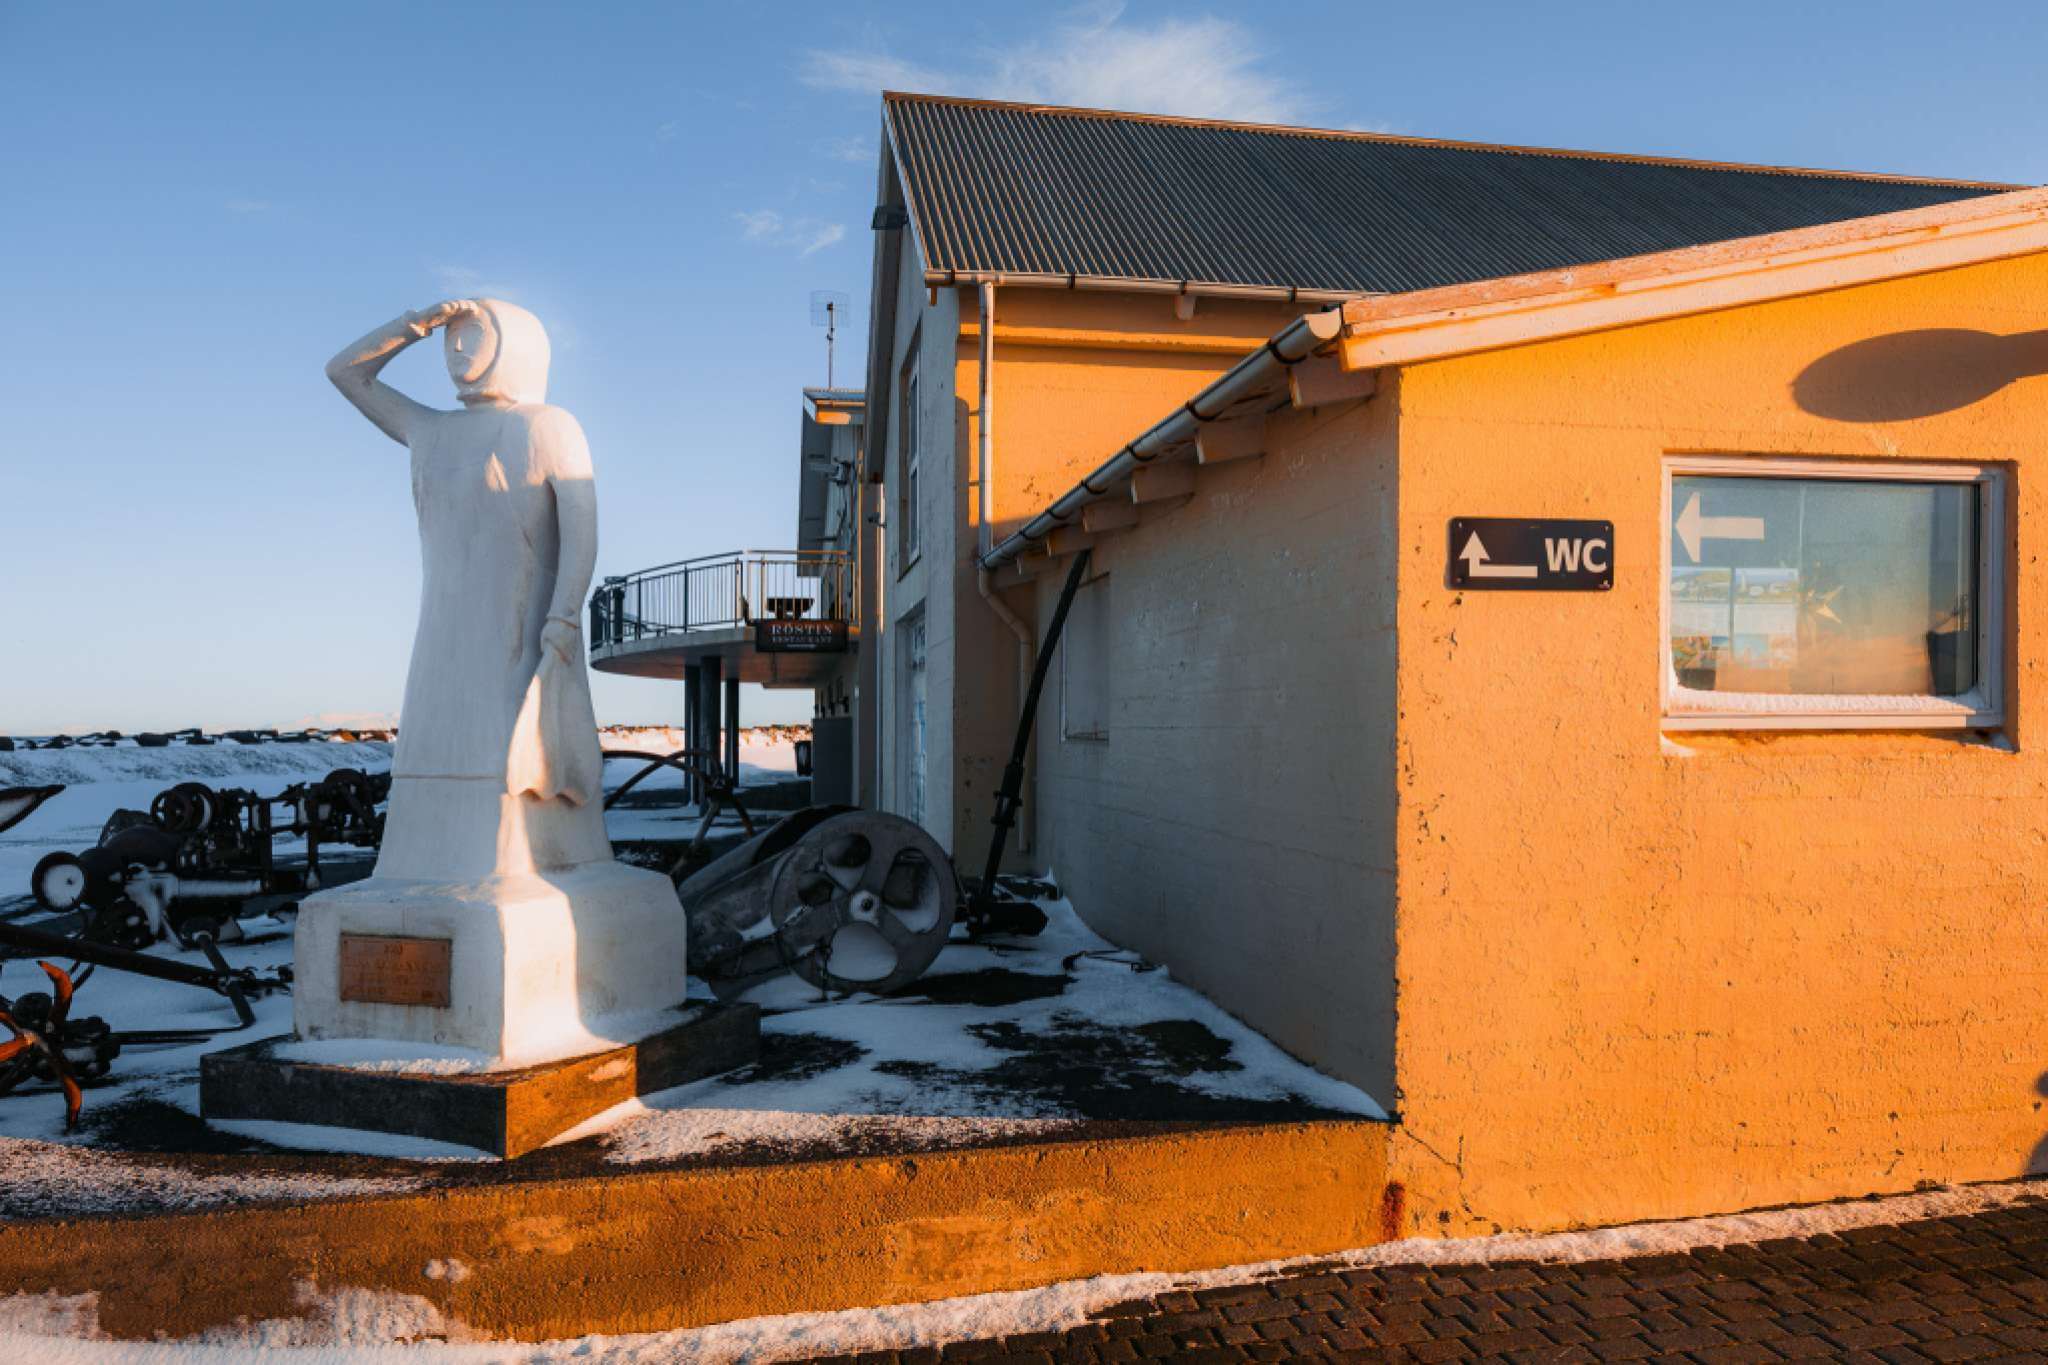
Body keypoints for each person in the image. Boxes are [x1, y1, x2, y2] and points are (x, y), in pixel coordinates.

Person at [324, 298, 609, 881]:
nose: (455, 350)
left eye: (472, 335)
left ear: (515, 346)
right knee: (438, 743)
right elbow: (346, 372)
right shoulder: (430, 431)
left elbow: (583, 529)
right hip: (443, 634)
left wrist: (564, 616)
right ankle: (420, 866)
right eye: (448, 339)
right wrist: (413, 324)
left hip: (520, 633)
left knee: (514, 752)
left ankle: (519, 861)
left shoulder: (547, 426)